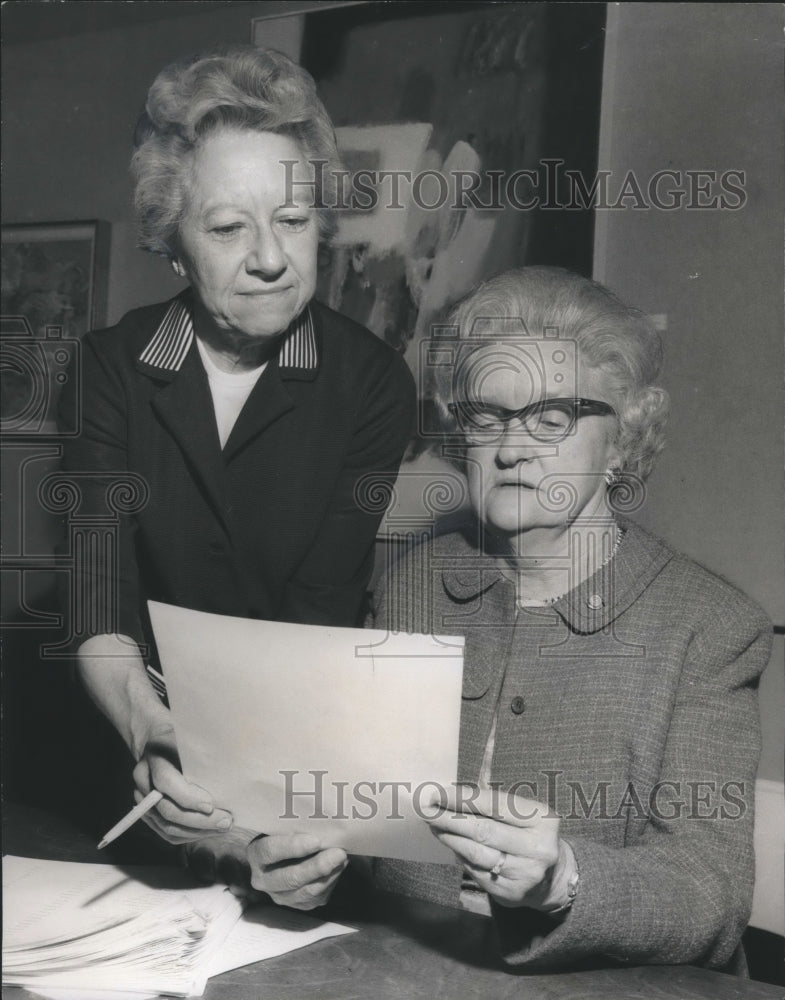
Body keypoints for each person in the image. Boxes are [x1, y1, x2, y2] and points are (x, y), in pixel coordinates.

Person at [247, 266, 772, 969]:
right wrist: (306, 869)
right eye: (486, 416)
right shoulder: (410, 587)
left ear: (620, 442)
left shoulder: (706, 626)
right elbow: (363, 829)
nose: (511, 445)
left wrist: (563, 879)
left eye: (551, 418)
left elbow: (709, 892)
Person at [57, 46, 415, 855]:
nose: (269, 258)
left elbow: (315, 616)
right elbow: (97, 596)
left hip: (285, 755)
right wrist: (146, 728)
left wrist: (254, 815)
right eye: (226, 228)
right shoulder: (105, 373)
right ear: (173, 247)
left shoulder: (371, 385)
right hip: (118, 757)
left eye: (291, 221)